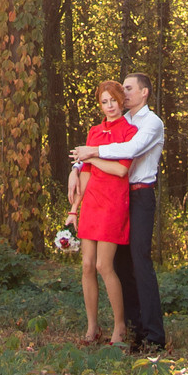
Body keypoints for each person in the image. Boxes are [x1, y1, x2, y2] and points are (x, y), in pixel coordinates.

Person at [71, 70, 165, 352]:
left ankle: (153, 335)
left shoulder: (150, 123)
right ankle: (132, 326)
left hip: (139, 195)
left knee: (139, 260)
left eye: (128, 89)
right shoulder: (124, 120)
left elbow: (128, 151)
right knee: (121, 265)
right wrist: (76, 169)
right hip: (116, 195)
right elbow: (91, 151)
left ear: (144, 92)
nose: (123, 95)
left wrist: (92, 153)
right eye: (117, 92)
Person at [65, 79, 135, 344]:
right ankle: (92, 327)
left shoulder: (129, 131)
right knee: (86, 266)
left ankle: (120, 326)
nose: (109, 106)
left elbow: (120, 169)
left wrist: (91, 156)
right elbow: (85, 173)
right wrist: (74, 209)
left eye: (113, 100)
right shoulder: (94, 131)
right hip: (92, 202)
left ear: (121, 100)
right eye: (104, 102)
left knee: (104, 265)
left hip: (113, 202)